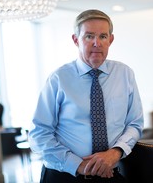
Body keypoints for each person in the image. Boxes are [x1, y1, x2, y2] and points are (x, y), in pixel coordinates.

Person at [28, 9, 144, 182]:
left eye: (103, 36)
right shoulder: (58, 79)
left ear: (110, 40)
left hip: (110, 173)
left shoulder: (125, 74)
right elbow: (39, 134)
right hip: (64, 176)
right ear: (76, 40)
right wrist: (77, 164)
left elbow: (135, 123)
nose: (97, 43)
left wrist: (115, 152)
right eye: (89, 36)